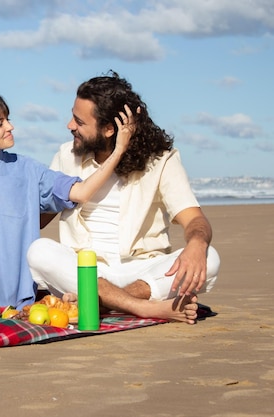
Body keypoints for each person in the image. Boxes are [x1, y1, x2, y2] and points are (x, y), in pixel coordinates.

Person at [0, 91, 135, 312]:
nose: (10, 127)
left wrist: (119, 150)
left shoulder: (28, 170)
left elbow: (82, 192)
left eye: (8, 119)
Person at [27, 71, 220, 325]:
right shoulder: (66, 156)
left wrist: (196, 243)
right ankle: (142, 307)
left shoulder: (161, 160)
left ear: (108, 129)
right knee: (39, 251)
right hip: (84, 272)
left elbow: (195, 219)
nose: (69, 126)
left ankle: (104, 304)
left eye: (79, 122)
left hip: (142, 272)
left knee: (209, 257)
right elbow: (39, 219)